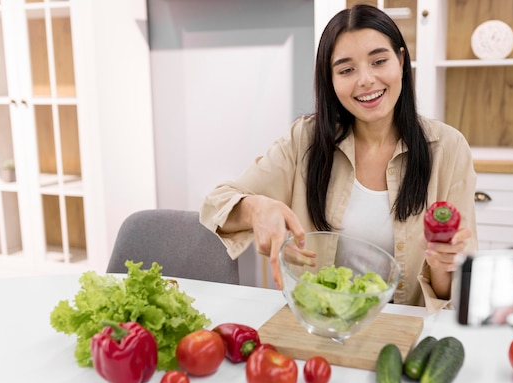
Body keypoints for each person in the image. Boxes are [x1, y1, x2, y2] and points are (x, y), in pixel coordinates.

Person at [199, 4, 478, 312]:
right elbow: (216, 203)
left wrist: (444, 265)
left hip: (402, 332)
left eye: (379, 61)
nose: (366, 80)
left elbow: (451, 296)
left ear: (400, 60)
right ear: (330, 80)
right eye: (346, 70)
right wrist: (255, 209)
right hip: (318, 324)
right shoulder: (305, 139)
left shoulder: (449, 148)